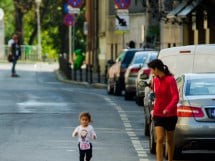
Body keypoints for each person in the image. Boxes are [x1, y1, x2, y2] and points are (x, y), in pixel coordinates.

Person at [147, 59, 179, 161]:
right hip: (158, 113)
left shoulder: (171, 79)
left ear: (156, 69)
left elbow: (175, 97)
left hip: (170, 114)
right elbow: (156, 96)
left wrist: (168, 109)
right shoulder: (155, 80)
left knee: (169, 140)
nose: (151, 72)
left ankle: (170, 159)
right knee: (159, 139)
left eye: (152, 69)